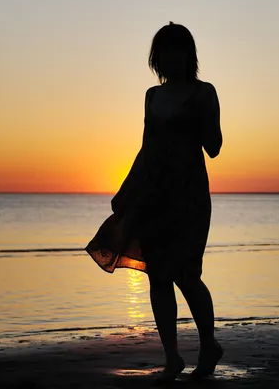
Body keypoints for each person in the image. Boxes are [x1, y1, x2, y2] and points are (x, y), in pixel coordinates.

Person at [85, 21, 223, 384]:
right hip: (152, 194)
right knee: (158, 277)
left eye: (178, 49)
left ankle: (208, 345)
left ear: (189, 55)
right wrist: (126, 187)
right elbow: (146, 147)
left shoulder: (204, 93)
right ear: (157, 56)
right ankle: (172, 357)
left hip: (188, 196)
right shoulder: (152, 95)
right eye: (165, 50)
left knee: (188, 276)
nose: (171, 56)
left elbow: (215, 147)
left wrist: (200, 121)